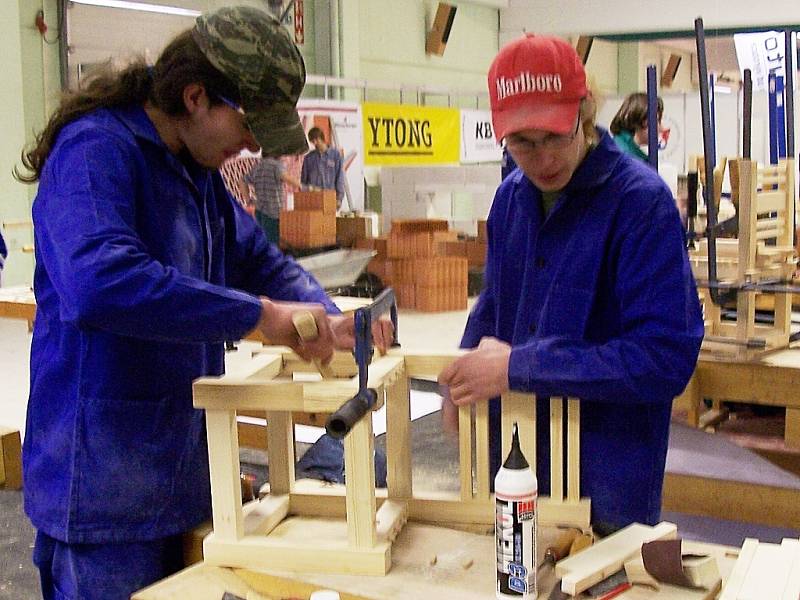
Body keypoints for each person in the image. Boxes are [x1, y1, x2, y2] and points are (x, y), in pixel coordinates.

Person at [14, 7, 391, 599]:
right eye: (245, 125)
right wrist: (258, 317)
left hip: (180, 476)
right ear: (195, 97)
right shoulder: (95, 153)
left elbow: (258, 260)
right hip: (101, 490)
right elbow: (101, 283)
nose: (250, 145)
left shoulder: (195, 171)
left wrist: (328, 318)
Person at [438, 34, 703, 534]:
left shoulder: (640, 205)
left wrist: (522, 365)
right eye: (522, 144)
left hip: (607, 476)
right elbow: (495, 307)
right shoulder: (509, 200)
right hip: (514, 464)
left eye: (556, 138)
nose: (542, 160)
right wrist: (462, 367)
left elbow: (666, 357)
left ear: (584, 113)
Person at [239, 156, 302, 244]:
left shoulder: (258, 167)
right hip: (273, 212)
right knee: (273, 243)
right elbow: (285, 177)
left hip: (259, 211)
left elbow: (242, 180)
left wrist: (248, 200)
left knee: (263, 242)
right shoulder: (276, 166)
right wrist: (302, 186)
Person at [609, 92, 664, 161]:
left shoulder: (619, 145)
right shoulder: (628, 156)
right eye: (657, 121)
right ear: (644, 120)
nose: (662, 129)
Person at [301, 126, 345, 209]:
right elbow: (304, 180)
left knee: (328, 220)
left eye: (316, 140)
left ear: (321, 138)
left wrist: (339, 198)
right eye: (312, 141)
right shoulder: (309, 158)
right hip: (313, 198)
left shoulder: (335, 155)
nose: (315, 143)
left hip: (329, 196)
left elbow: (339, 177)